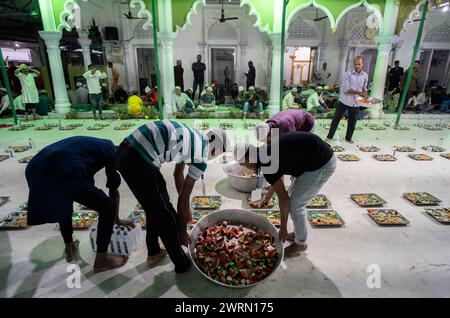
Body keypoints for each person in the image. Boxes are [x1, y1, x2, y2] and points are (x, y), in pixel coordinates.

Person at [117, 121, 227, 272]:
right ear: (215, 150)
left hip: (127, 151)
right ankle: (182, 264)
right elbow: (181, 200)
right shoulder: (201, 156)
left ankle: (154, 252)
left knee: (155, 205)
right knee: (166, 217)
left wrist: (187, 207)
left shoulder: (194, 138)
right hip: (139, 158)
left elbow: (178, 175)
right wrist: (182, 232)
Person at [25, 136, 134, 271]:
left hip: (35, 167)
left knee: (63, 197)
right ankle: (101, 260)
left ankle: (69, 245)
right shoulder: (112, 152)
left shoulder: (98, 144)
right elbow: (113, 189)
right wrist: (115, 218)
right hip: (61, 168)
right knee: (107, 206)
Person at [234, 132, 336, 256]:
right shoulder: (263, 151)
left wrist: (283, 228)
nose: (247, 167)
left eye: (244, 164)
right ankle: (298, 235)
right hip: (312, 155)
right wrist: (268, 197)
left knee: (296, 205)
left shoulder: (266, 163)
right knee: (293, 197)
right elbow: (278, 177)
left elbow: (284, 200)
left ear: (248, 159)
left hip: (321, 163)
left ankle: (300, 244)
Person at [326, 56, 368, 143]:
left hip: (356, 102)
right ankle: (329, 137)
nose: (357, 66)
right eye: (355, 64)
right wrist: (359, 93)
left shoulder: (365, 75)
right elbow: (346, 89)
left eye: (359, 64)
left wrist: (365, 93)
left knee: (353, 121)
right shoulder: (347, 74)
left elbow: (364, 87)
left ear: (362, 64)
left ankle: (348, 138)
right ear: (353, 64)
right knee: (336, 119)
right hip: (344, 100)